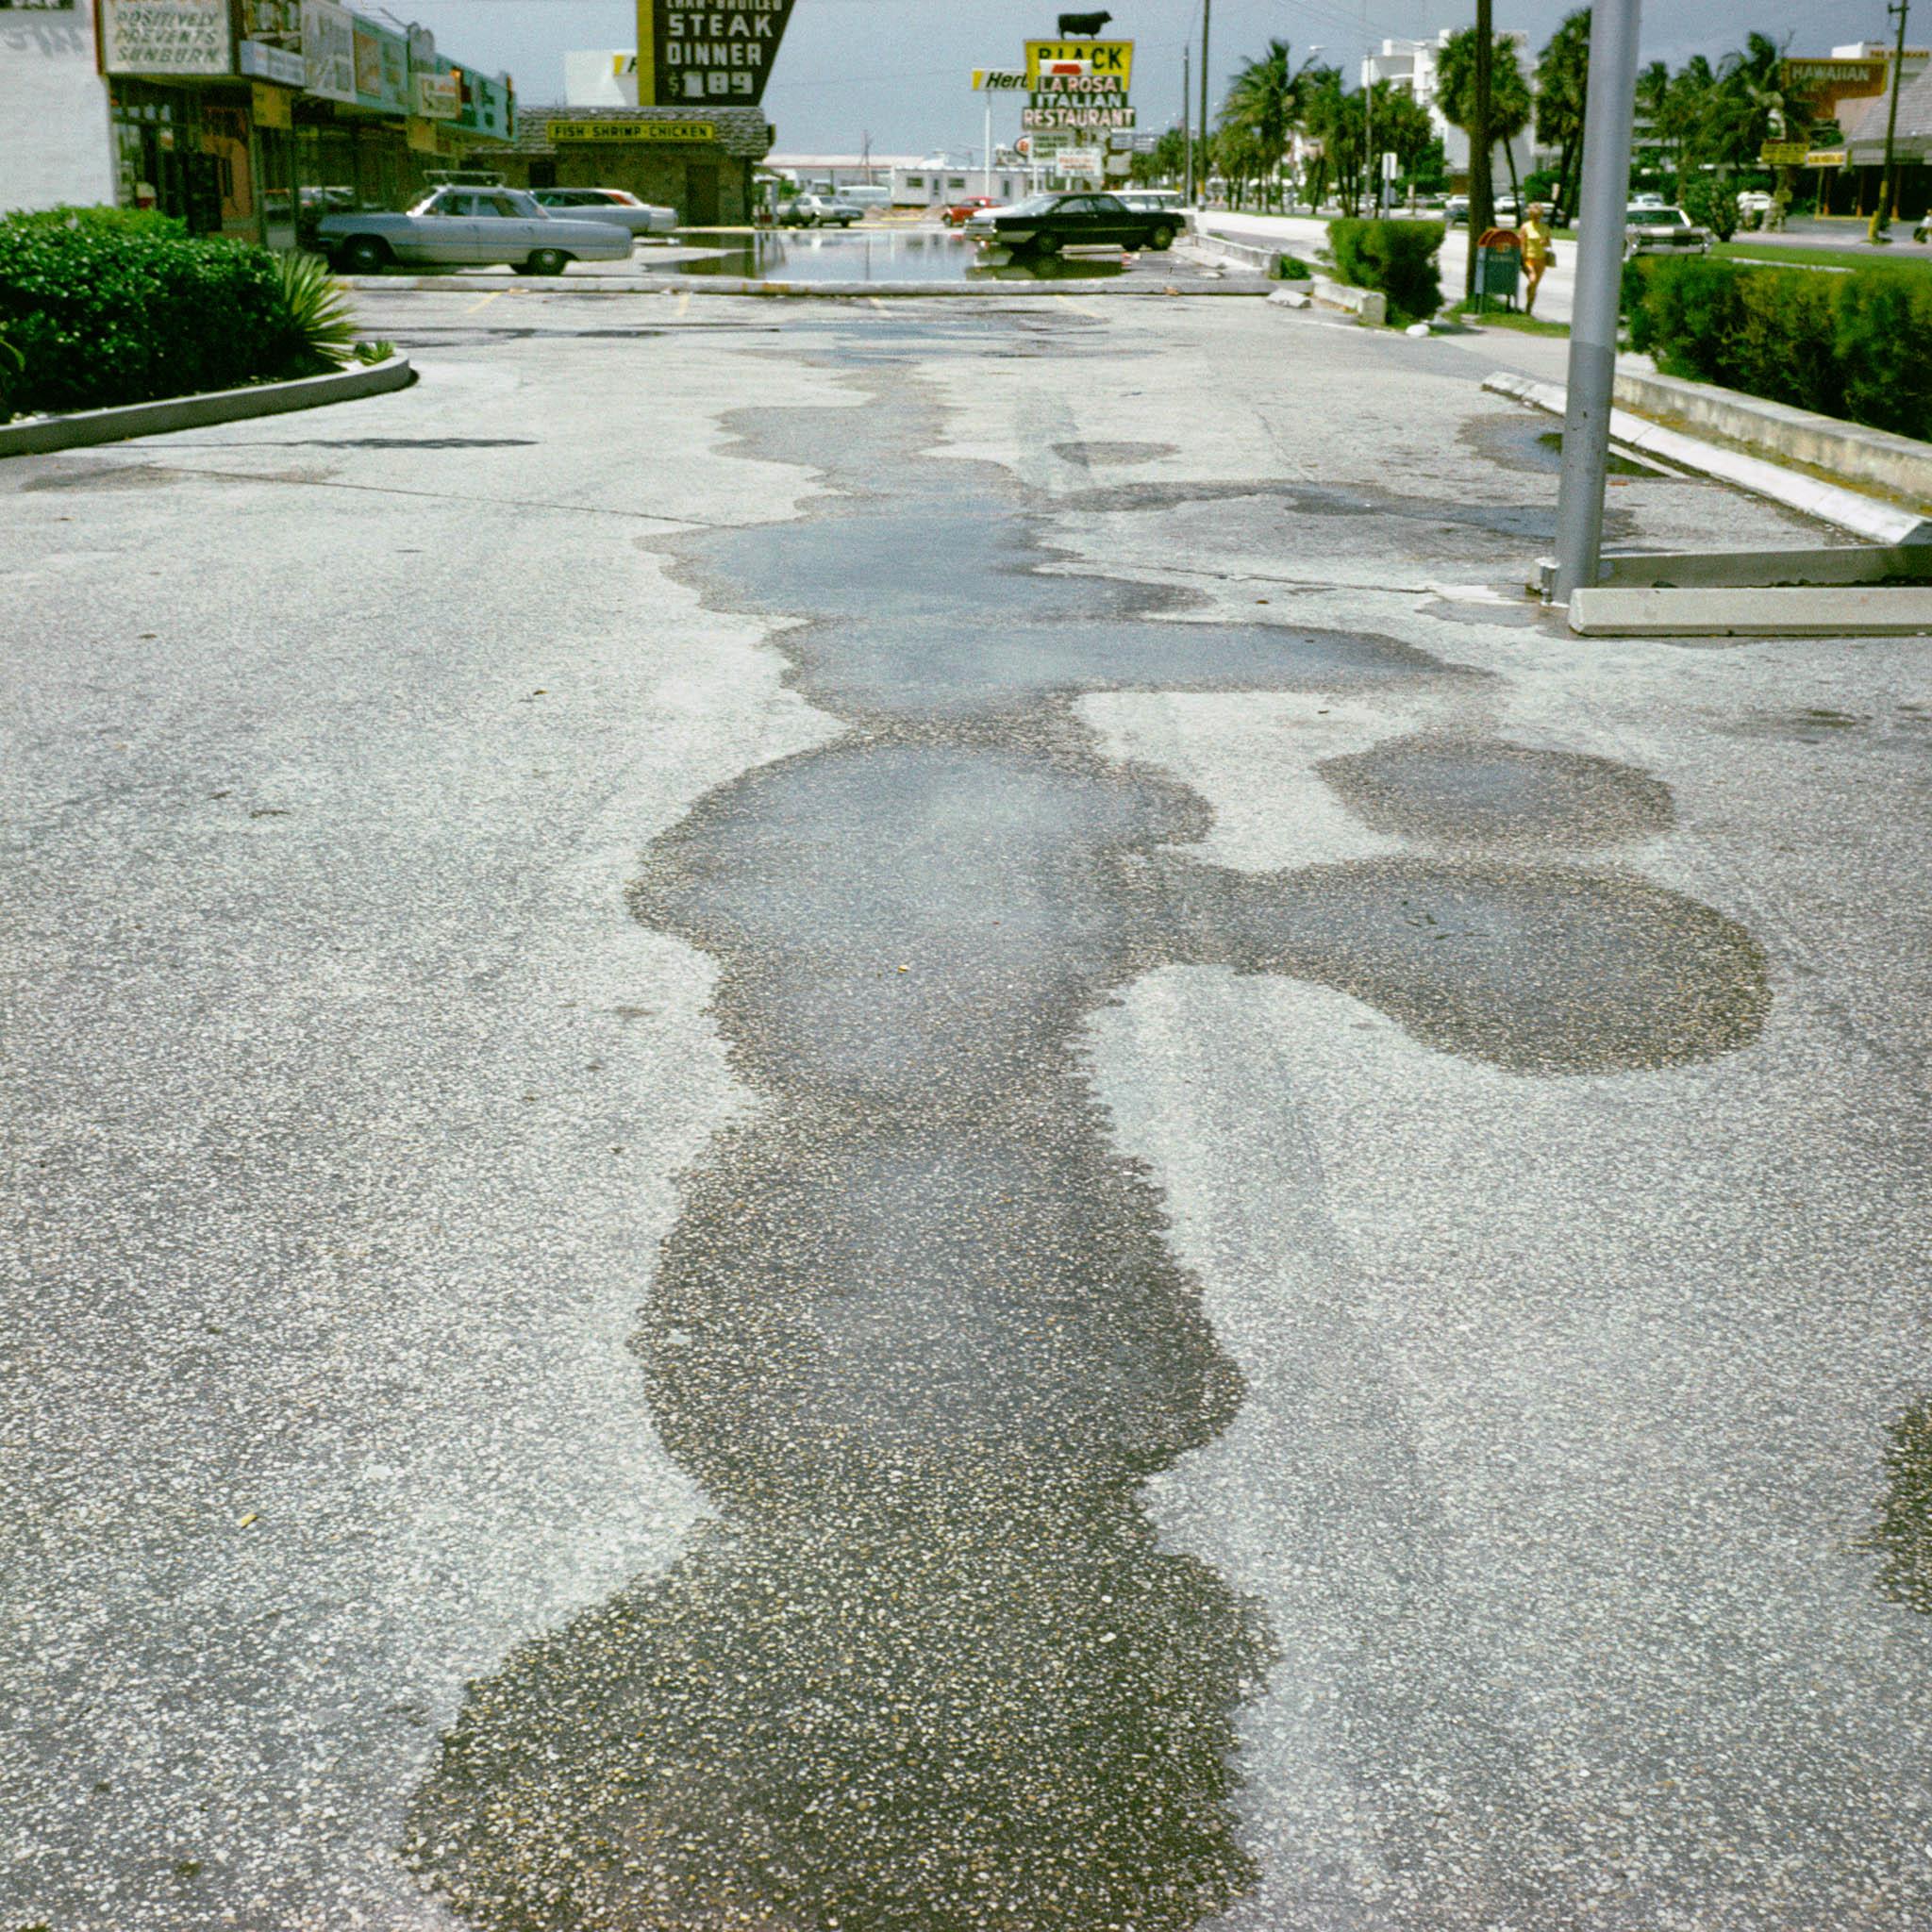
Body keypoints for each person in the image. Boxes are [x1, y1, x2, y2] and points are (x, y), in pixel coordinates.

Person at [1520, 202, 1553, 315]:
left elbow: (1549, 244)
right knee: (1532, 280)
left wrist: (1545, 243)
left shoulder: (1545, 228)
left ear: (1541, 215)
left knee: (1535, 285)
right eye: (1533, 215)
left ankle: (1529, 307)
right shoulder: (1525, 227)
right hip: (1528, 259)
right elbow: (1522, 244)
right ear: (1529, 215)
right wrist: (1522, 259)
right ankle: (1528, 304)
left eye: (1538, 215)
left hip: (1541, 260)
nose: (1535, 217)